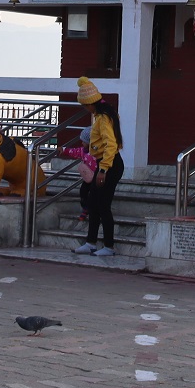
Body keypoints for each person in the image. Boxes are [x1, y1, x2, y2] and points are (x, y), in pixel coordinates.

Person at [72, 76, 123, 258]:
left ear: (90, 104)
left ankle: (109, 246)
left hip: (110, 164)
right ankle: (90, 243)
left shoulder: (103, 118)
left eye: (85, 106)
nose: (85, 109)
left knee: (103, 205)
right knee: (93, 203)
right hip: (105, 163)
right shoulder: (103, 115)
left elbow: (111, 145)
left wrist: (103, 170)